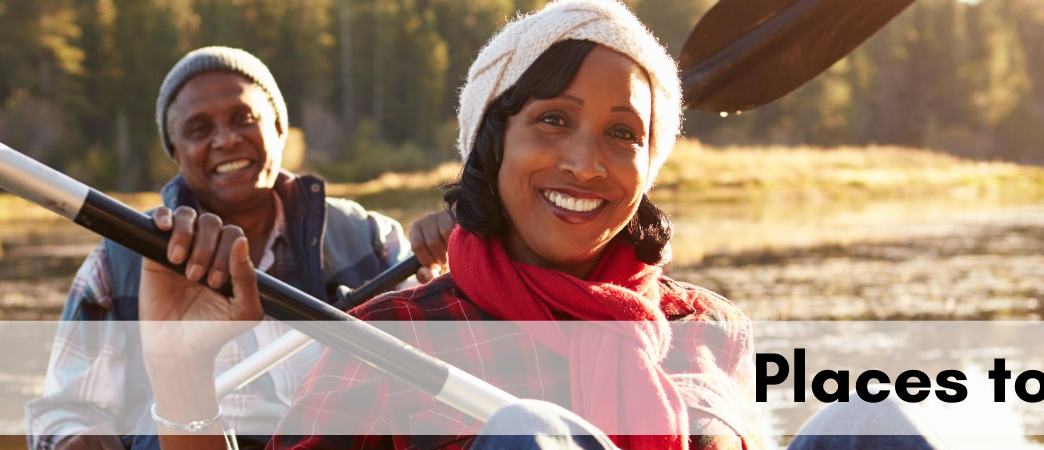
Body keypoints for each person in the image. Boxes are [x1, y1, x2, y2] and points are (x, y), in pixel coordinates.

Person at [136, 1, 762, 449]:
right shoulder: (387, 338)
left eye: (623, 133)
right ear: (491, 146)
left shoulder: (710, 327)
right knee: (527, 432)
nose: (586, 164)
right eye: (552, 120)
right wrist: (180, 377)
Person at [25, 46, 450, 450]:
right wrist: (75, 435)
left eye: (243, 118)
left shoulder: (371, 238)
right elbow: (66, 411)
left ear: (279, 130)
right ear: (176, 155)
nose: (226, 139)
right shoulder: (118, 260)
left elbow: (443, 371)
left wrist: (454, 268)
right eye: (199, 129)